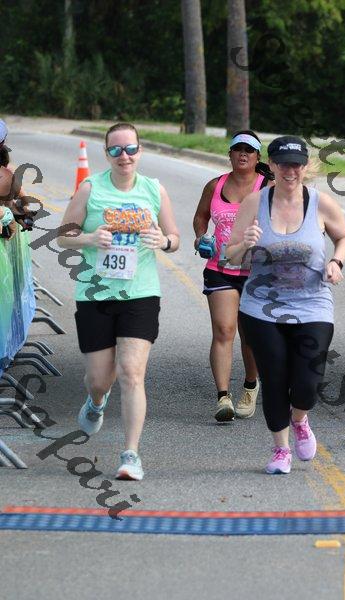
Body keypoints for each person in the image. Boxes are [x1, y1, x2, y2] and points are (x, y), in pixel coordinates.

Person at [57, 122, 180, 480]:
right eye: (115, 150)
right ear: (106, 153)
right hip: (95, 293)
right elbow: (63, 236)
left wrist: (164, 242)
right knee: (99, 379)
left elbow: (174, 237)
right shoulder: (90, 188)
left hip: (140, 293)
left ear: (140, 151)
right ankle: (96, 402)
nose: (123, 156)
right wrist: (89, 238)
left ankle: (131, 455)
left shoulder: (154, 189)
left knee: (131, 372)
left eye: (130, 149)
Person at [226, 135, 345, 473]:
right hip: (261, 308)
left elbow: (344, 235)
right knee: (274, 378)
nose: (290, 170)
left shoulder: (320, 203)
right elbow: (231, 254)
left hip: (313, 305)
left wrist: (336, 262)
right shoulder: (255, 203)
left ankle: (300, 419)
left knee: (307, 383)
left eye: (296, 164)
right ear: (272, 165)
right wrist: (246, 244)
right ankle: (281, 449)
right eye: (283, 163)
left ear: (305, 166)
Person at [193, 130, 274, 422]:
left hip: (257, 272)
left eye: (249, 150)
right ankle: (223, 398)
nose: (243, 154)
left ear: (257, 156)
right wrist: (201, 237)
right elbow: (201, 216)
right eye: (237, 149)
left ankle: (250, 386)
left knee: (249, 336)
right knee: (224, 330)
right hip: (220, 268)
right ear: (229, 154)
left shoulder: (269, 186)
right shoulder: (214, 185)